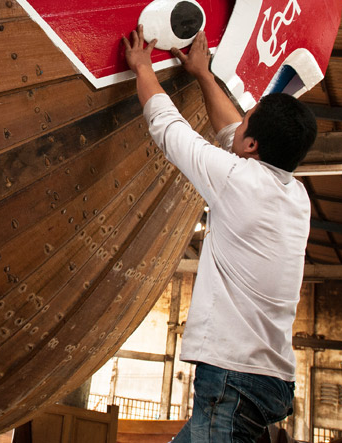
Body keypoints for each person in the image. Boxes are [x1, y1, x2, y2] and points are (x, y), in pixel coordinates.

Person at [121, 24, 318, 442]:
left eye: (248, 120)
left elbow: (169, 129)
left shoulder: (236, 179)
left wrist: (142, 67)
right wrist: (203, 74)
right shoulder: (297, 197)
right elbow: (233, 135)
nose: (239, 125)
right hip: (267, 377)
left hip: (234, 379)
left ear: (253, 147)